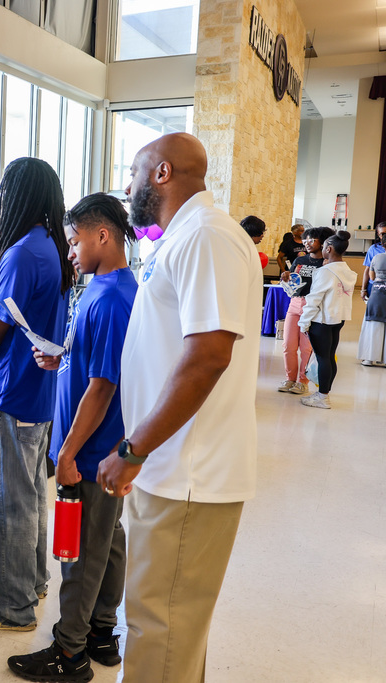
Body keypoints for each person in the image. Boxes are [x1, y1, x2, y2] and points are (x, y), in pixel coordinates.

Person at [96, 132, 262, 683]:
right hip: (170, 470)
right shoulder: (186, 237)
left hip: (187, 474)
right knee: (168, 629)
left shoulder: (207, 237)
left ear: (162, 174)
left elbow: (207, 358)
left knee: (159, 631)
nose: (127, 186)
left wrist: (131, 448)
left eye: (134, 173)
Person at [7, 194, 137, 683]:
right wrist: (64, 359)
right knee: (110, 539)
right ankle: (102, 633)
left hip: (90, 450)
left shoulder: (110, 300)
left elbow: (103, 389)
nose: (70, 253)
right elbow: (96, 365)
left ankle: (70, 651)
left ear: (102, 235)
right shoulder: (114, 287)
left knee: (82, 551)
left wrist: (66, 453)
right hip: (97, 447)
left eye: (76, 241)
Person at [0, 157, 74, 632]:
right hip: (37, 392)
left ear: (19, 196)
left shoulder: (22, 254)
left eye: (3, 192)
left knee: (5, 499)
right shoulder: (50, 247)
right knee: (28, 495)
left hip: (9, 392)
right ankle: (27, 579)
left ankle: (11, 606)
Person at [298, 231, 357, 409]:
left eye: (324, 247)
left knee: (323, 357)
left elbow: (314, 299)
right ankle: (324, 393)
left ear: (329, 248)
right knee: (329, 356)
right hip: (337, 318)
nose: (322, 249)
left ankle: (322, 397)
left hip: (321, 320)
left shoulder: (325, 272)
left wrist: (304, 322)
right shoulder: (347, 271)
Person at [277, 226, 334, 394]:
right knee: (288, 345)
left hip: (313, 307)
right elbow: (293, 281)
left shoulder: (327, 263)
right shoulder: (300, 260)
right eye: (305, 240)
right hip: (295, 303)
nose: (307, 243)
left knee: (306, 348)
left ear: (322, 242)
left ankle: (303, 381)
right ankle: (290, 379)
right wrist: (285, 277)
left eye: (312, 240)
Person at [358, 248, 386, 367]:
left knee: (373, 325)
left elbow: (372, 277)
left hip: (377, 292)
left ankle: (369, 358)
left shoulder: (377, 257)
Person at [360, 221, 386, 301]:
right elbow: (367, 270)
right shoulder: (373, 249)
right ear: (378, 235)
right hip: (374, 286)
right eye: (382, 234)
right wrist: (363, 289)